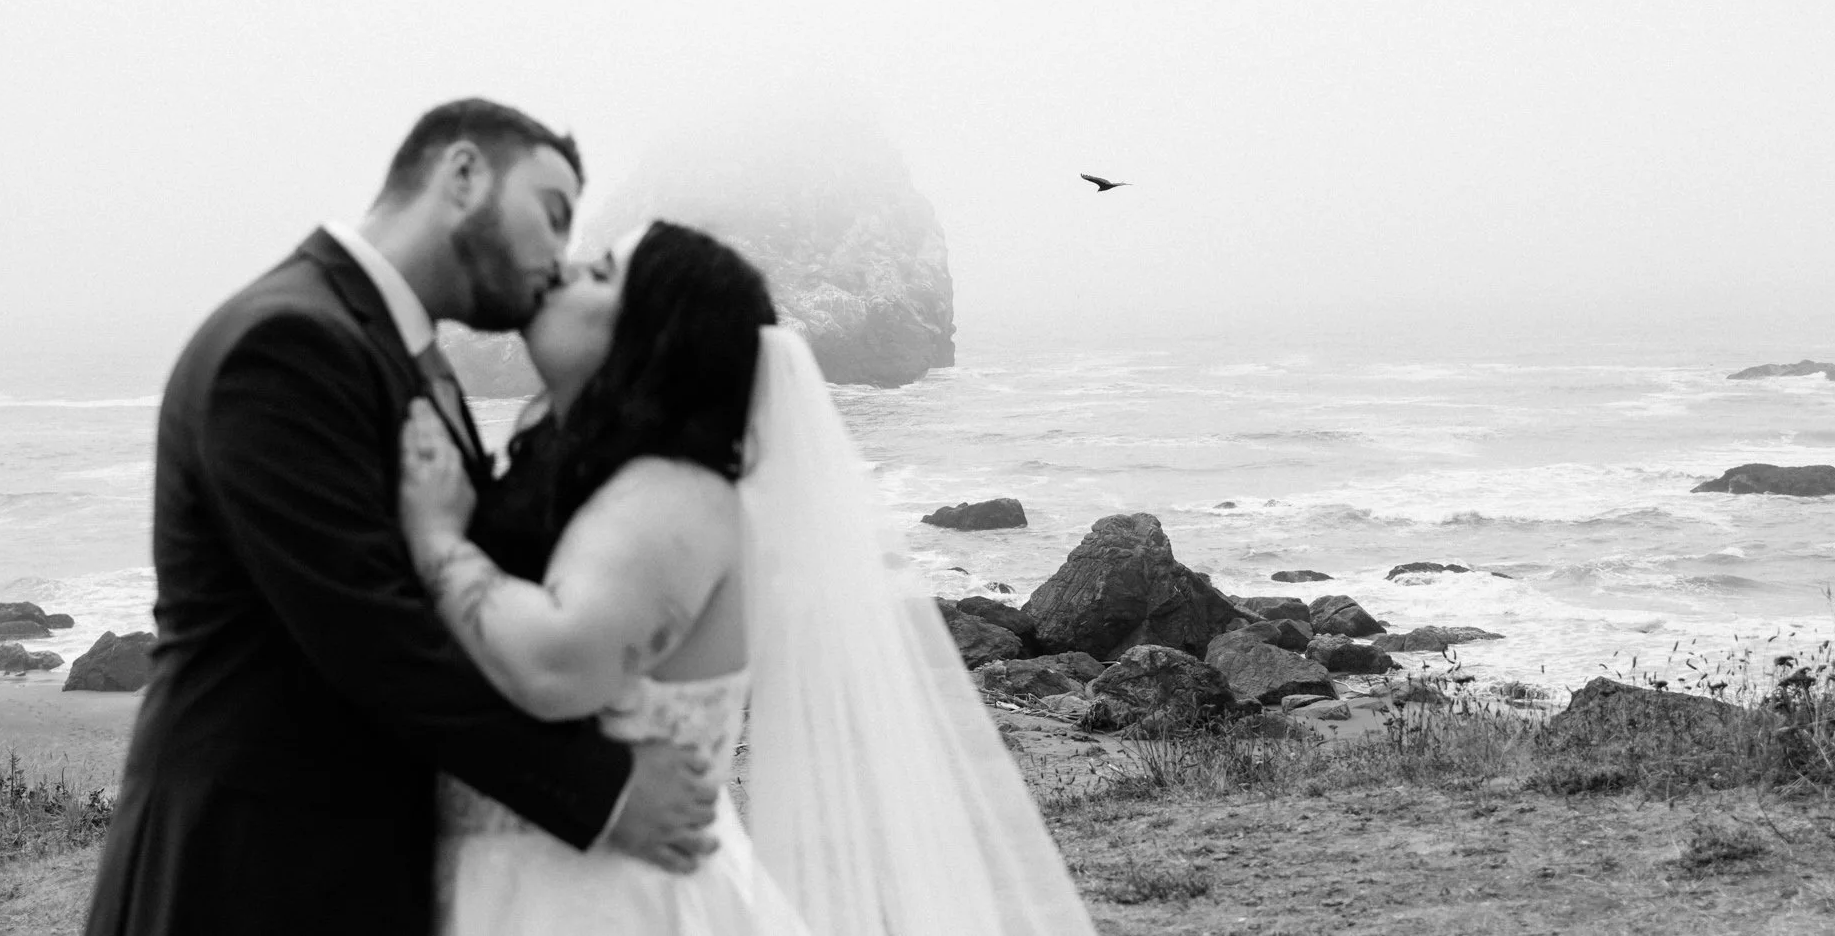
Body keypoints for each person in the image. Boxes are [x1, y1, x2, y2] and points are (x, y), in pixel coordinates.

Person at [84, 100, 717, 936]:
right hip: (251, 872)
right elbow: (373, 632)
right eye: (552, 216)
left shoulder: (400, 351)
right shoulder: (286, 343)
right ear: (462, 175)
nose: (557, 262)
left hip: (359, 868)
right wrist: (603, 790)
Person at [399, 219, 1098, 936]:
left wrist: (434, 538)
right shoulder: (618, 481)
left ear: (653, 340)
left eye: (602, 273)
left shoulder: (679, 497)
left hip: (607, 902)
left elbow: (557, 664)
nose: (566, 271)